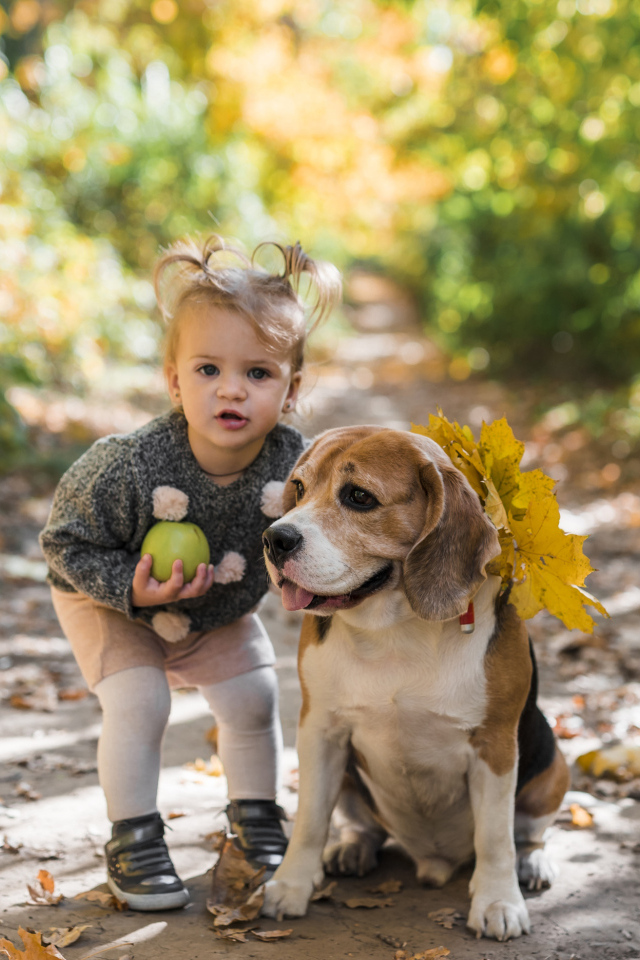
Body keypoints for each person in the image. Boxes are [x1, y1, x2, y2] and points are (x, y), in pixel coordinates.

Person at [39, 236, 341, 911]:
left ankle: (255, 818)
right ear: (175, 381)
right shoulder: (129, 465)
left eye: (259, 374)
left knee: (254, 698)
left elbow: (321, 533)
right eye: (208, 369)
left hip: (214, 606)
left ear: (291, 390)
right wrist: (129, 589)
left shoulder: (297, 464)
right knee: (141, 700)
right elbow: (62, 543)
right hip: (107, 596)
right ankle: (134, 836)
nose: (232, 388)